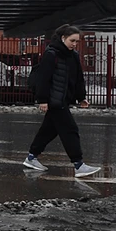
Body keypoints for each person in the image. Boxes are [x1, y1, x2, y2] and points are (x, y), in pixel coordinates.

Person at [21, 24, 101, 178]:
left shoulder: (74, 55)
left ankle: (31, 157)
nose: (74, 44)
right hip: (54, 100)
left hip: (64, 99)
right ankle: (78, 165)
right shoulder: (51, 54)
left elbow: (78, 79)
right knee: (70, 130)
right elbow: (44, 79)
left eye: (77, 41)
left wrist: (81, 97)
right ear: (63, 38)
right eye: (72, 40)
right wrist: (43, 100)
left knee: (48, 131)